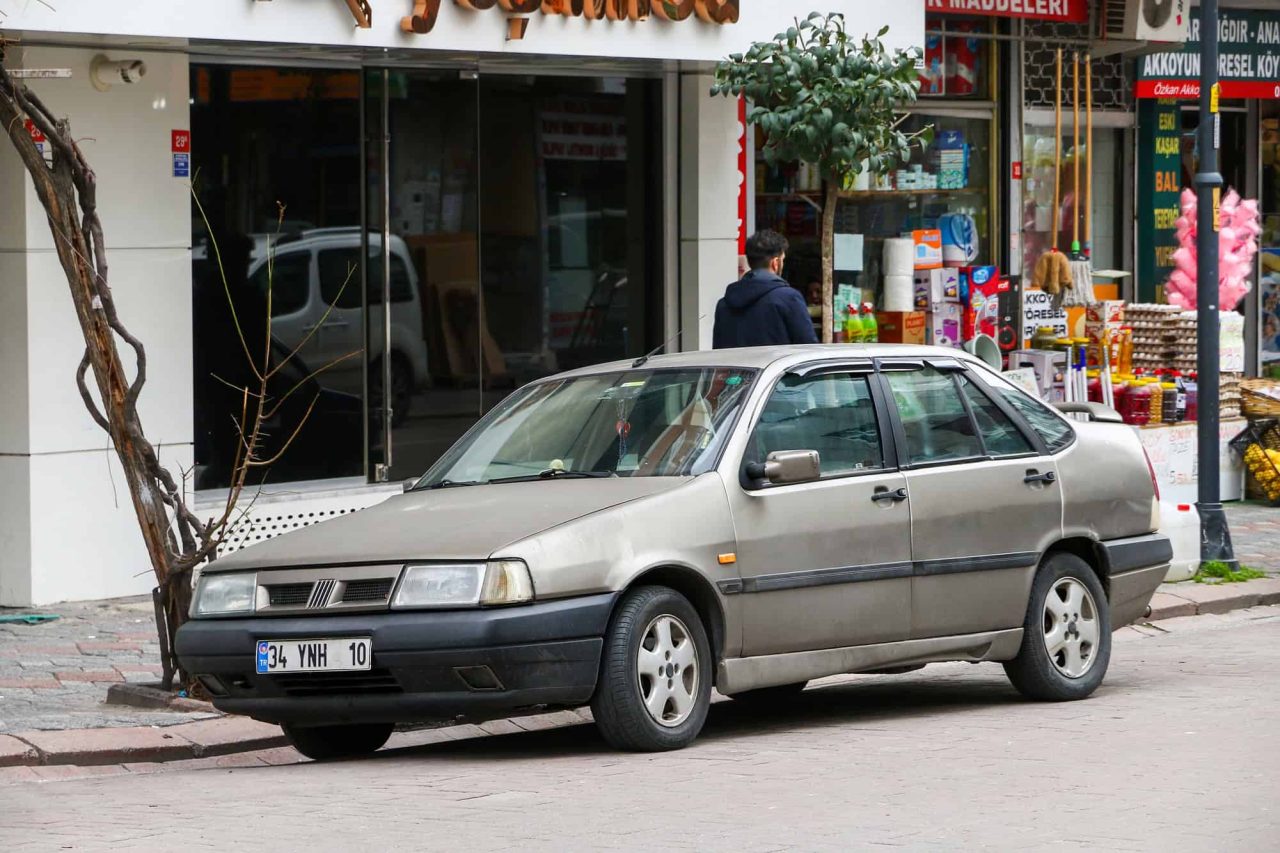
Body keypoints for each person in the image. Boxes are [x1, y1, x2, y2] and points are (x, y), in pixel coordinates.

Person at [713, 230, 818, 348]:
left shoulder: (724, 304)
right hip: (779, 366)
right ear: (776, 263)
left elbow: (718, 354)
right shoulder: (789, 298)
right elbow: (808, 348)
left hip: (737, 366)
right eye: (783, 259)